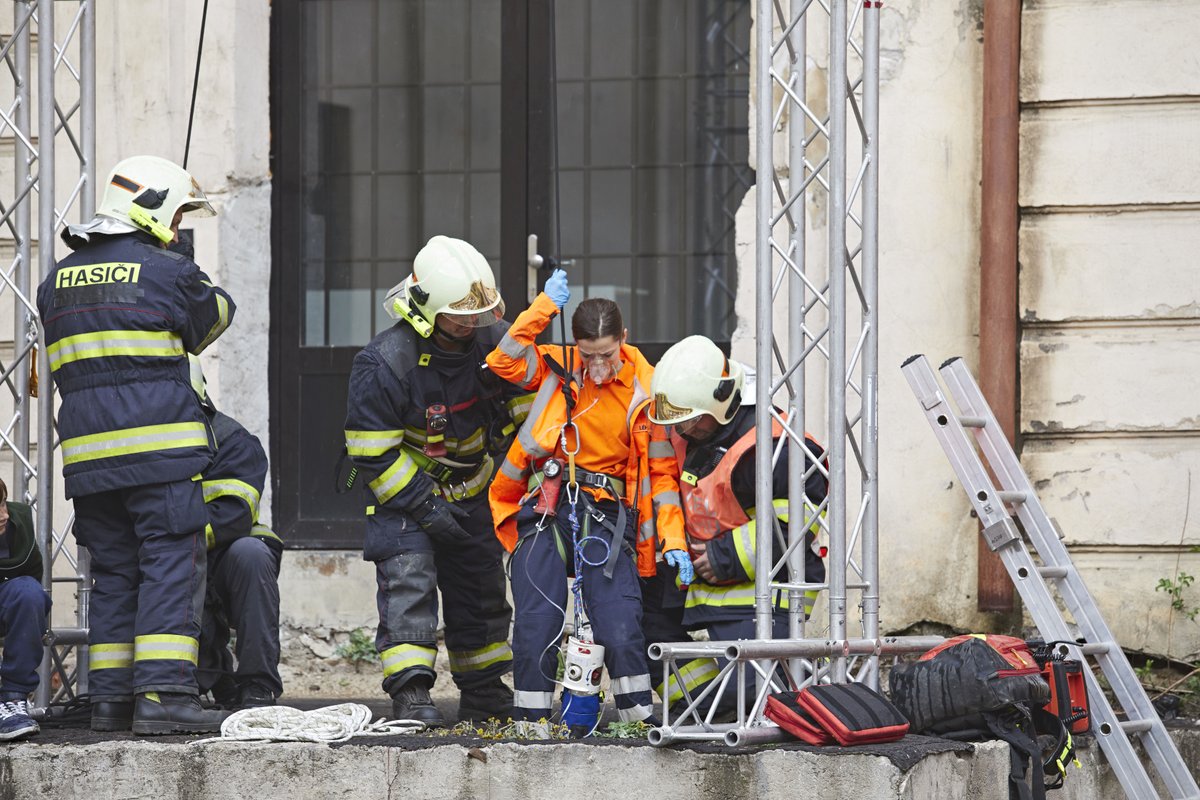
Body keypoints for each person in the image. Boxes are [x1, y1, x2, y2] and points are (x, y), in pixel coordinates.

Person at [36, 155, 235, 734]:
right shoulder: (168, 271)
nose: (176, 229)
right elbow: (213, 321)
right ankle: (166, 696)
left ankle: (111, 700)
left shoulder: (57, 281)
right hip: (161, 457)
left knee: (117, 574)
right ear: (149, 207)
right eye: (175, 215)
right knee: (171, 563)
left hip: (90, 465)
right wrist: (184, 267)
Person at [486, 268, 691, 730]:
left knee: (619, 622)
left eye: (607, 355)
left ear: (625, 339)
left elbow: (662, 473)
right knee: (537, 619)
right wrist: (543, 308)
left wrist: (672, 539)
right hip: (549, 504)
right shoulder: (561, 367)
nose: (597, 366)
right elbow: (504, 360)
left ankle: (638, 722)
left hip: (608, 514)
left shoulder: (649, 388)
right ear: (576, 347)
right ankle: (530, 724)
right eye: (588, 355)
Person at [344, 236, 526, 727]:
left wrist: (519, 480)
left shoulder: (495, 342)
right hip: (407, 501)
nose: (472, 322)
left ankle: (485, 694)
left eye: (479, 312)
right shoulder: (384, 362)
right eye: (460, 314)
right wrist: (425, 507)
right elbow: (373, 456)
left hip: (477, 494)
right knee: (409, 587)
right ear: (425, 308)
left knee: (482, 595)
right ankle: (412, 694)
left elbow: (530, 420)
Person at [646, 335, 828, 716]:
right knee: (642, 627)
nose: (682, 430)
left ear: (718, 403)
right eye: (677, 421)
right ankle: (703, 708)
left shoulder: (772, 446)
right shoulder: (692, 433)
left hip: (759, 594)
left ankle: (785, 693)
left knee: (761, 693)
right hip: (702, 582)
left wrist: (721, 556)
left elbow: (796, 525)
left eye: (691, 419)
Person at [188, 358, 284, 710]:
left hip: (223, 556)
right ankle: (180, 684)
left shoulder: (232, 440)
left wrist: (175, 538)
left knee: (252, 554)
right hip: (166, 556)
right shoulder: (143, 442)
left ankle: (257, 684)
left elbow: (234, 515)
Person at [0, 479, 51, 741]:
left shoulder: (18, 520)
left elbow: (33, 575)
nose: (4, 515)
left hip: (5, 597)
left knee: (29, 593)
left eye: (3, 504)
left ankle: (14, 697)